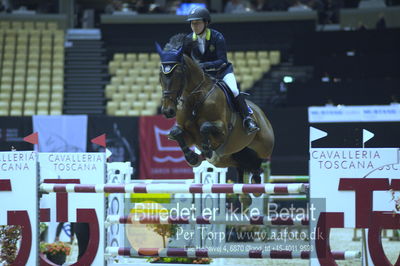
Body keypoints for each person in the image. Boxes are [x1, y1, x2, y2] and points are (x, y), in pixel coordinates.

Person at [182, 7, 259, 135]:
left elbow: (222, 60)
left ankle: (247, 119)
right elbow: (186, 60)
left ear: (206, 23)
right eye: (192, 23)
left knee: (234, 90)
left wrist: (203, 65)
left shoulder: (217, 37)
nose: (194, 26)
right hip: (203, 77)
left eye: (197, 23)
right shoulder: (188, 40)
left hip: (222, 72)